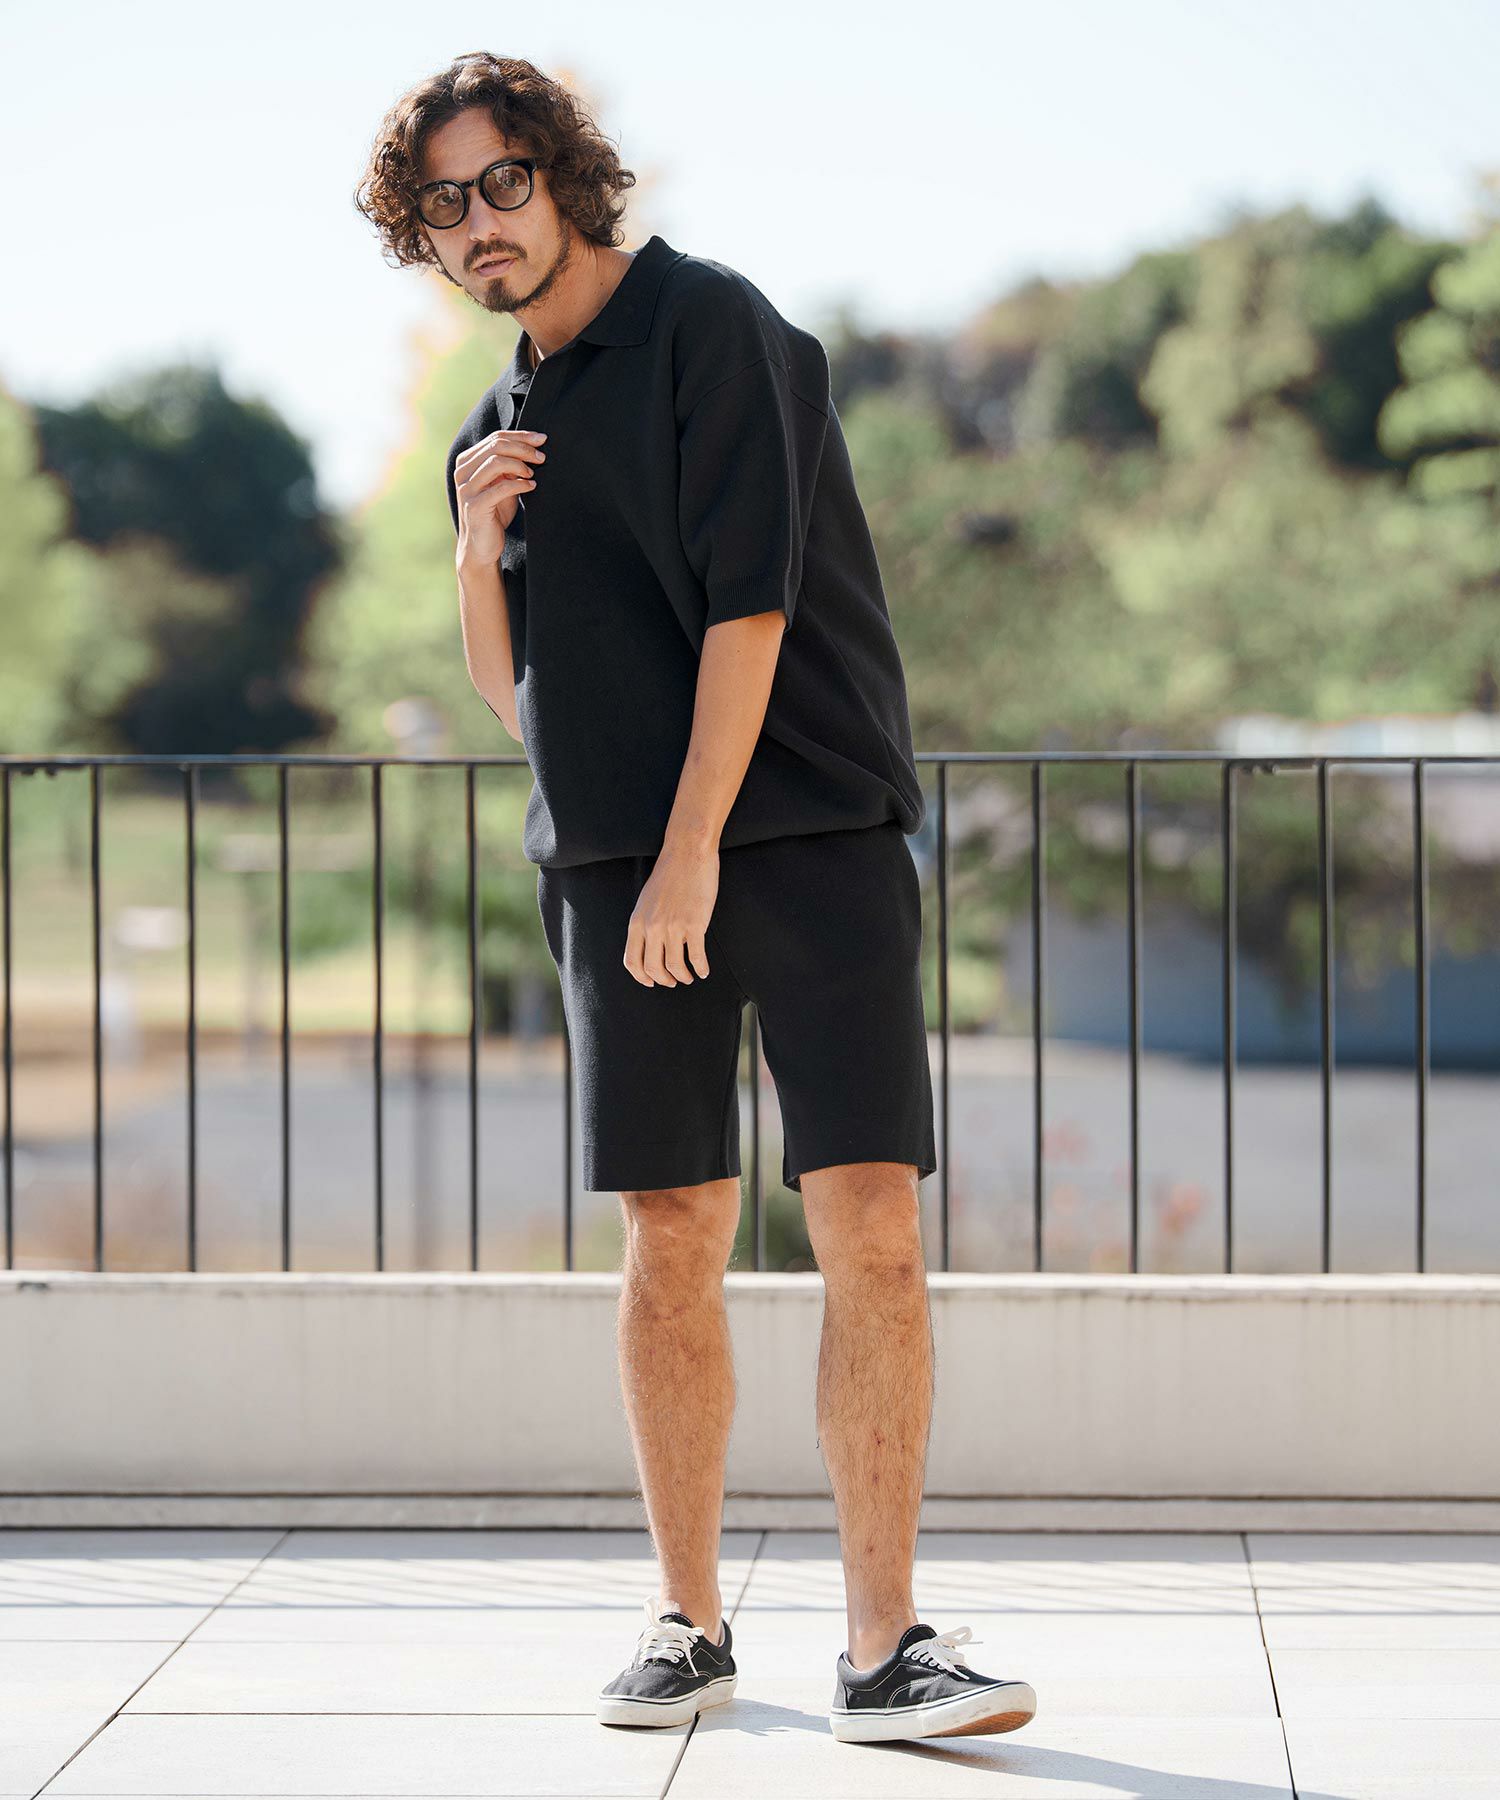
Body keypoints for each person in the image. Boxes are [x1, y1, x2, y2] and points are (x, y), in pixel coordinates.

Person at [356, 52, 1036, 1745]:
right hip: (612, 867)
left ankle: (885, 1649)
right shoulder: (492, 434)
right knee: (671, 1232)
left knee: (869, 1223)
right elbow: (522, 698)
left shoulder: (713, 328)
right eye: (441, 205)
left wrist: (692, 849)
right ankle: (688, 1625)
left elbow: (753, 609)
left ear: (564, 175)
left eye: (502, 181)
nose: (478, 223)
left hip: (802, 830)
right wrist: (471, 553)